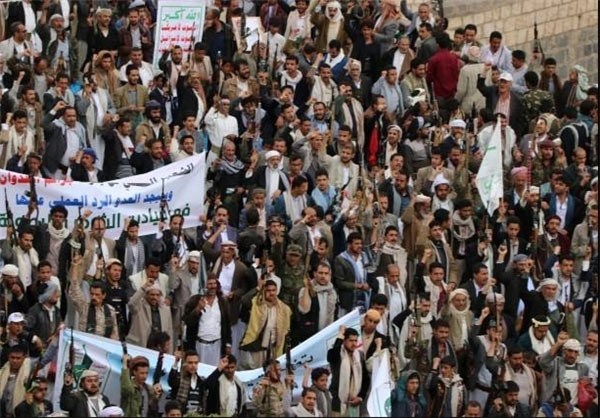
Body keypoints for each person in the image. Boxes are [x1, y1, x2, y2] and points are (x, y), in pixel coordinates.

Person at [327, 326, 369, 417]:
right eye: (351, 340)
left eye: (355, 340)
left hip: (354, 404)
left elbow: (366, 379)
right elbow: (332, 356)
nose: (354, 344)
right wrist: (340, 336)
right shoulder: (337, 354)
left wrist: (360, 397)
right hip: (337, 402)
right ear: (344, 340)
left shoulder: (360, 356)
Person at [167, 350, 204, 414]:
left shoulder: (200, 381)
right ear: (185, 363)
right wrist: (176, 362)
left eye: (196, 363)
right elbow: (172, 381)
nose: (193, 365)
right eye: (190, 363)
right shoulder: (179, 378)